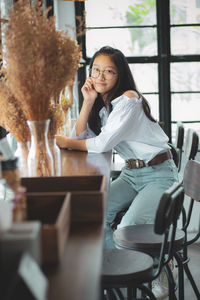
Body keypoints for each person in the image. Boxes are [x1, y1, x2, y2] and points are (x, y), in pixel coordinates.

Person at [56, 46, 179, 249]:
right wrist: (87, 102)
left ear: (119, 75)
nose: (100, 76)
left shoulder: (129, 100)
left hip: (158, 175)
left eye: (109, 71)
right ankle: (114, 268)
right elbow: (81, 135)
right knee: (96, 214)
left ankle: (136, 275)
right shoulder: (105, 104)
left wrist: (64, 142)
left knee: (127, 227)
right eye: (96, 70)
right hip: (131, 174)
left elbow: (100, 144)